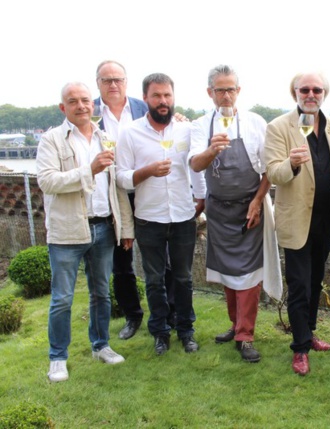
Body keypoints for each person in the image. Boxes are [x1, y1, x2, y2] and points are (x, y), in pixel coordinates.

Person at [37, 82, 133, 382]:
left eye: (84, 101)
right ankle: (57, 357)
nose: (80, 106)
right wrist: (88, 170)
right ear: (62, 107)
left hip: (104, 227)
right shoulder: (52, 140)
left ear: (92, 105)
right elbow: (47, 182)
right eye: (72, 101)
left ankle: (100, 345)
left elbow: (116, 186)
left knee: (101, 294)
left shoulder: (105, 138)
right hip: (67, 232)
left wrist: (125, 227)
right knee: (63, 298)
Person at [189, 65, 282, 363]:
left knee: (249, 274)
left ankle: (246, 335)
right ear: (210, 93)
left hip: (249, 210)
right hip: (218, 211)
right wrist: (211, 150)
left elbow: (269, 168)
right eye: (220, 90)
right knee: (228, 273)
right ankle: (235, 324)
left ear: (239, 91)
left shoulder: (255, 123)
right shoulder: (201, 126)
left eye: (231, 89)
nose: (226, 95)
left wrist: (257, 201)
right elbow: (194, 164)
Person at [116, 73, 205, 356]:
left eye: (167, 95)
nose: (163, 101)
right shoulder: (130, 133)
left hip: (182, 215)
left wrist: (200, 198)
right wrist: (147, 172)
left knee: (184, 279)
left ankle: (186, 330)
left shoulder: (186, 130)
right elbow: (121, 177)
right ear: (145, 98)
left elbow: (195, 167)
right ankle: (160, 332)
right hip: (148, 218)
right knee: (154, 280)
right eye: (157, 96)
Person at [264, 72, 330, 376]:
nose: (311, 94)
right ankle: (299, 349)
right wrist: (292, 164)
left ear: (325, 93)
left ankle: (309, 333)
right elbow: (273, 174)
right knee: (298, 285)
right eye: (304, 89)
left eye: (317, 89)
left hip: (325, 219)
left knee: (314, 281)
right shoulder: (279, 127)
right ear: (294, 92)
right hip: (296, 219)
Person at [94, 60, 148, 340]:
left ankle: (170, 314)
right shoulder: (88, 111)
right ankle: (132, 316)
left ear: (126, 82)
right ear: (98, 84)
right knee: (121, 262)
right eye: (106, 80)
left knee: (160, 258)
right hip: (111, 194)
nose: (113, 84)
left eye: (118, 79)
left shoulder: (144, 108)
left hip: (146, 188)